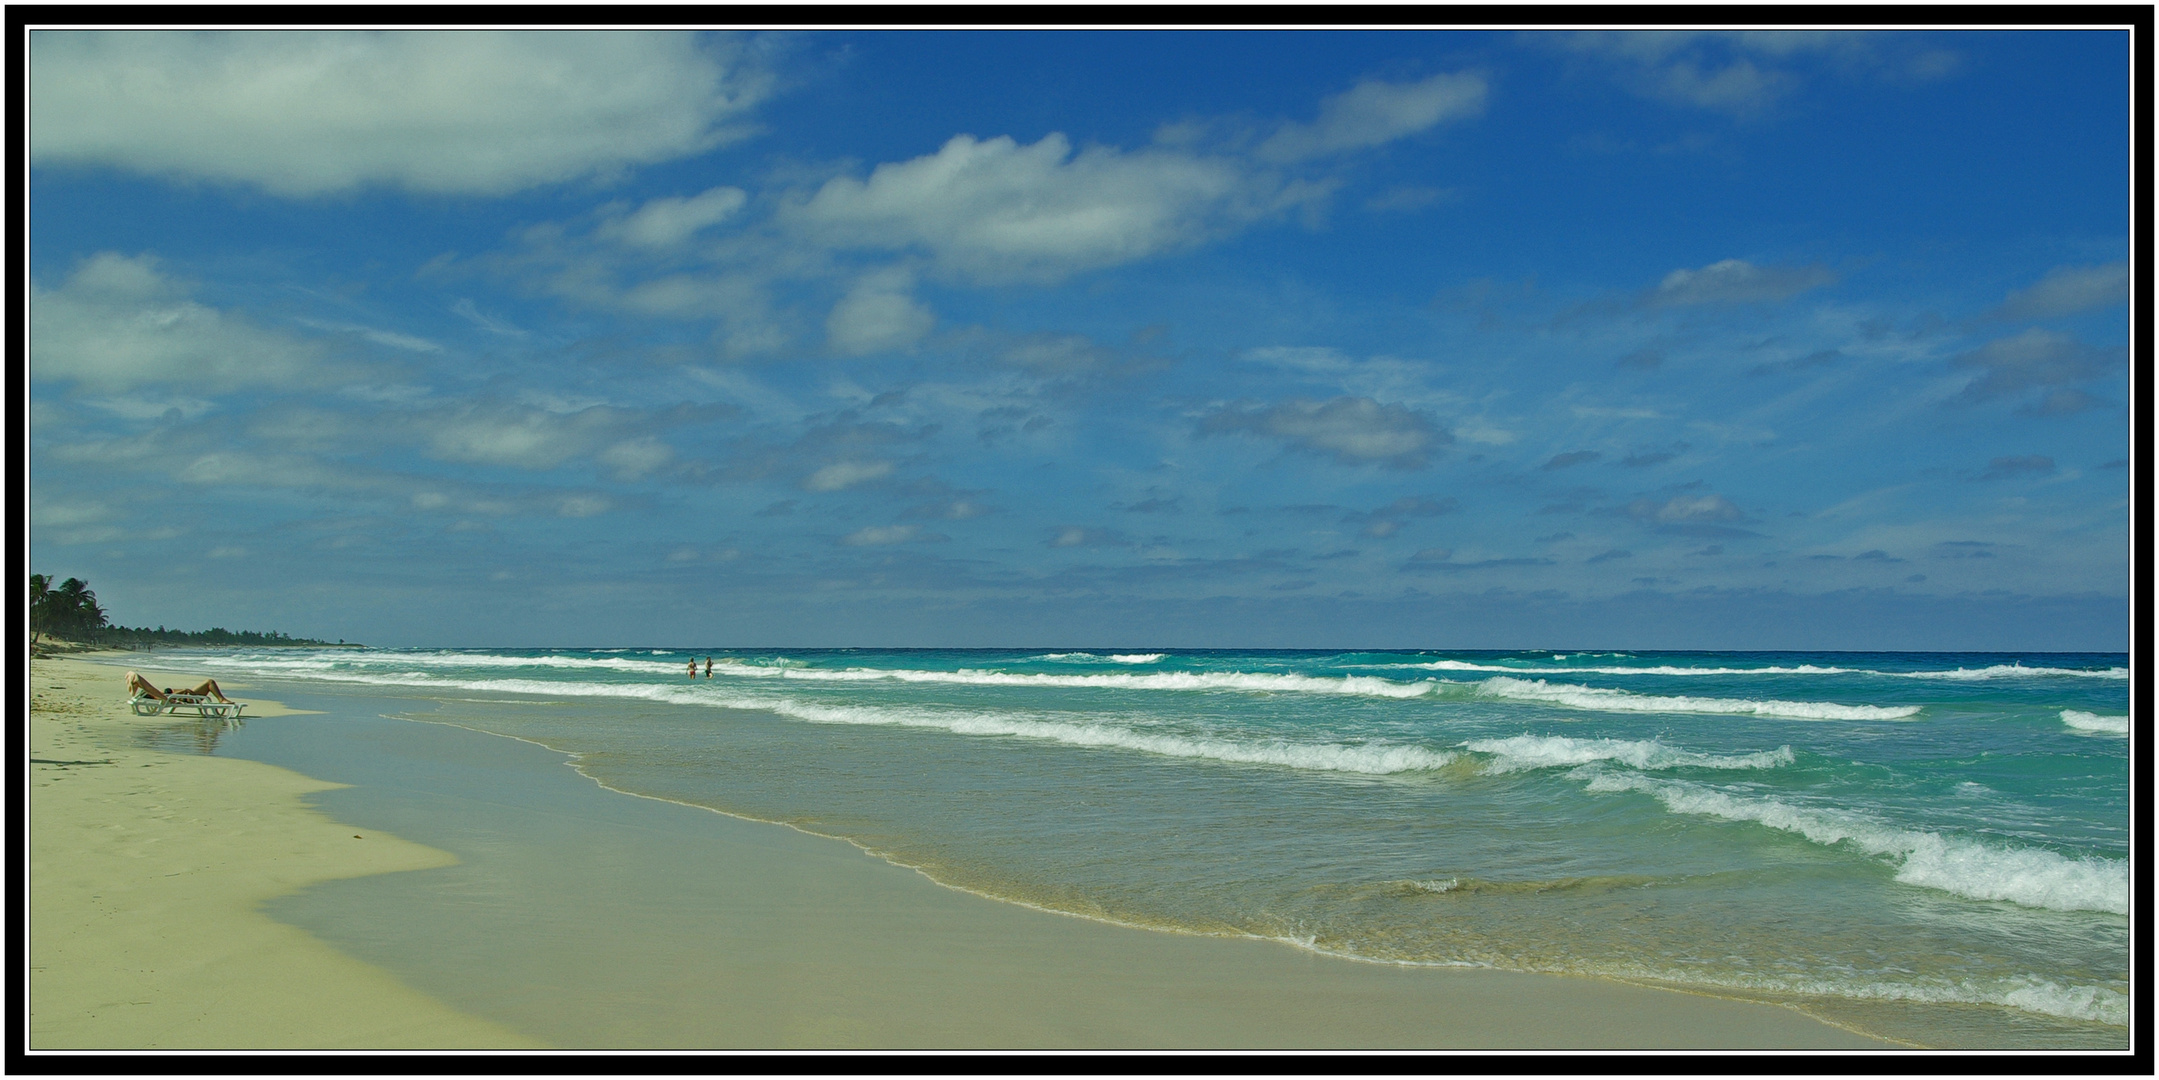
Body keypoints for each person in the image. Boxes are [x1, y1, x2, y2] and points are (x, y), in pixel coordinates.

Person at [126, 670, 233, 703]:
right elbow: (169, 699)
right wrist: (183, 691)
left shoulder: (156, 693)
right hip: (188, 699)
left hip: (188, 695)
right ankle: (221, 699)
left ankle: (221, 699)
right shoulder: (157, 696)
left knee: (209, 682)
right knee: (210, 682)